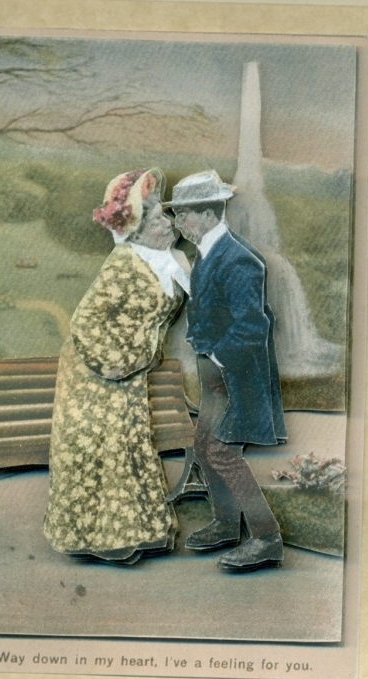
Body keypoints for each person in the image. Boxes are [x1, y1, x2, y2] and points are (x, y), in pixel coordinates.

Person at [43, 168, 190, 565]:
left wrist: (137, 360)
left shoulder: (167, 260)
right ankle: (105, 539)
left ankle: (135, 531)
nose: (166, 219)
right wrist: (117, 363)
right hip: (94, 373)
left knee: (128, 446)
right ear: (138, 230)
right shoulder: (123, 264)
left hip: (126, 372)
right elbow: (85, 321)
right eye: (157, 215)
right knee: (99, 450)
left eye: (164, 212)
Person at [165, 170, 287, 572]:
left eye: (183, 215)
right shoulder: (208, 251)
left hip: (235, 371)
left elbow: (254, 325)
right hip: (215, 368)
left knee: (221, 451)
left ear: (206, 213)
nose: (178, 224)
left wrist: (217, 358)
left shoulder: (239, 259)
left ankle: (267, 538)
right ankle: (224, 524)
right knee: (206, 447)